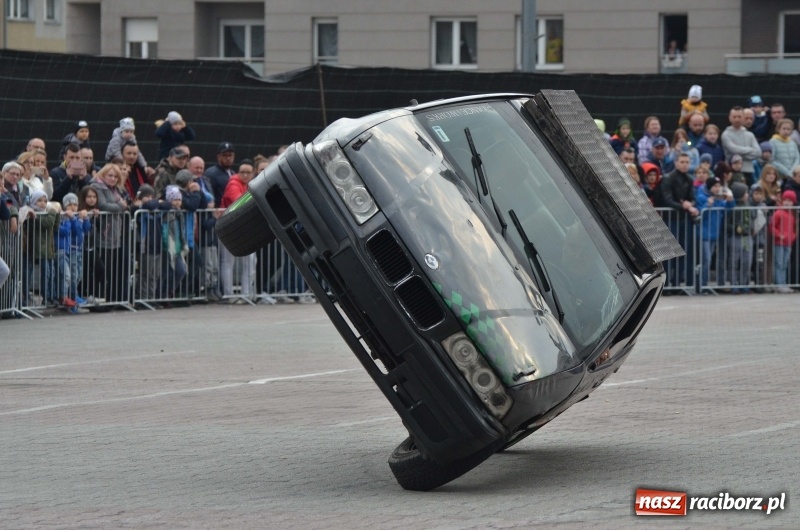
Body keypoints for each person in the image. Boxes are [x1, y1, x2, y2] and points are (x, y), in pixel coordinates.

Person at [657, 152, 698, 292]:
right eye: (682, 162)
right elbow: (666, 199)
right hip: (671, 220)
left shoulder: (689, 179)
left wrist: (688, 204)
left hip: (684, 221)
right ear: (676, 163)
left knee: (683, 252)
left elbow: (692, 197)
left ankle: (679, 284)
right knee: (670, 254)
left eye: (687, 162)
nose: (685, 164)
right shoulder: (668, 178)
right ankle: (667, 285)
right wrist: (683, 206)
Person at [91, 163, 130, 303]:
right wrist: (120, 206)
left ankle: (111, 299)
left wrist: (121, 206)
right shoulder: (97, 186)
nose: (113, 179)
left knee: (112, 270)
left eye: (115, 176)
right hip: (103, 233)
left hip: (115, 234)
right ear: (103, 174)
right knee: (103, 270)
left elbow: (127, 203)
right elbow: (103, 205)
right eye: (110, 175)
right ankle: (100, 299)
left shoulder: (115, 189)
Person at [220, 159, 257, 303]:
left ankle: (246, 294)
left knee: (250, 262)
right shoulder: (233, 183)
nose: (245, 175)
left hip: (246, 227)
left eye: (248, 172)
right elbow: (238, 200)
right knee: (228, 262)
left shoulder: (251, 184)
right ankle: (229, 295)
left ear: (252, 173)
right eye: (242, 172)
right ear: (238, 172)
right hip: (230, 227)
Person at [695, 176, 733, 293]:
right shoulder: (702, 197)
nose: (717, 189)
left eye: (718, 186)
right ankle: (701, 285)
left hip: (714, 234)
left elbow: (728, 209)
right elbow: (700, 214)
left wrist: (731, 200)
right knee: (705, 260)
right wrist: (708, 205)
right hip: (704, 233)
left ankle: (704, 285)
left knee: (709, 259)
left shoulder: (719, 199)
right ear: (710, 187)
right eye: (715, 186)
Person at [26, 190, 60, 307]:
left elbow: (55, 227)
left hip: (48, 249)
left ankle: (51, 297)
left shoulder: (46, 212)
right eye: (39, 200)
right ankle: (45, 297)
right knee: (44, 274)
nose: (42, 203)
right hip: (38, 249)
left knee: (51, 274)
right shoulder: (33, 214)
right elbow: (47, 224)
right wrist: (52, 212)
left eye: (45, 201)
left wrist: (58, 214)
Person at [721, 106, 761, 187]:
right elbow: (733, 150)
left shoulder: (750, 135)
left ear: (743, 118)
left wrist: (740, 154)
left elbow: (758, 153)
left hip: (749, 171)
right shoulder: (726, 134)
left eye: (739, 117)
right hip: (732, 172)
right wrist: (750, 149)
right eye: (734, 117)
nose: (737, 119)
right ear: (729, 118)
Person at [161, 185, 189, 299]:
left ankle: (170, 291)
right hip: (168, 247)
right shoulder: (166, 214)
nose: (177, 202)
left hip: (177, 247)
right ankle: (163, 295)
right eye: (174, 199)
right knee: (167, 273)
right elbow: (164, 231)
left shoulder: (180, 214)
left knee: (181, 270)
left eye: (179, 199)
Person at [724, 182, 753, 294]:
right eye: (745, 193)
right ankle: (734, 284)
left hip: (747, 237)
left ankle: (744, 283)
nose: (747, 195)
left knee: (747, 261)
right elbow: (727, 223)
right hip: (736, 238)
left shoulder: (748, 206)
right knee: (734, 261)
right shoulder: (733, 207)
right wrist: (735, 228)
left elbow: (751, 219)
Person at [769, 190, 797, 293]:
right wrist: (779, 235)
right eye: (785, 200)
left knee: (784, 264)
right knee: (779, 263)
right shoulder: (778, 212)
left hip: (788, 243)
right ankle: (779, 284)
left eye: (790, 201)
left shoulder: (791, 215)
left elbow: (793, 228)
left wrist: (792, 236)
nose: (787, 203)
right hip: (779, 242)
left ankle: (783, 283)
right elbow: (772, 226)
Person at [749, 183, 770, 291]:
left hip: (760, 240)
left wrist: (766, 213)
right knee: (748, 262)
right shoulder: (748, 205)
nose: (758, 196)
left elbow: (768, 221)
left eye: (760, 194)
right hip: (749, 240)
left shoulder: (764, 206)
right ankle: (746, 283)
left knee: (759, 262)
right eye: (756, 193)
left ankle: (758, 284)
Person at [204, 142, 236, 206]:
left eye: (230, 155)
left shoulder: (233, 173)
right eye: (224, 155)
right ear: (218, 157)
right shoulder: (211, 174)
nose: (228, 158)